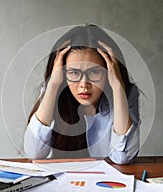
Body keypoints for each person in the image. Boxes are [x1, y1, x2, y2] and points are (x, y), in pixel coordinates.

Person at [24, 24, 140, 164]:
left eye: (94, 72)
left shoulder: (125, 94)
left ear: (109, 72)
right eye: (74, 72)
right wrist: (53, 84)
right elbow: (34, 152)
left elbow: (123, 158)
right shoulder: (53, 90)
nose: (84, 84)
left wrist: (118, 87)